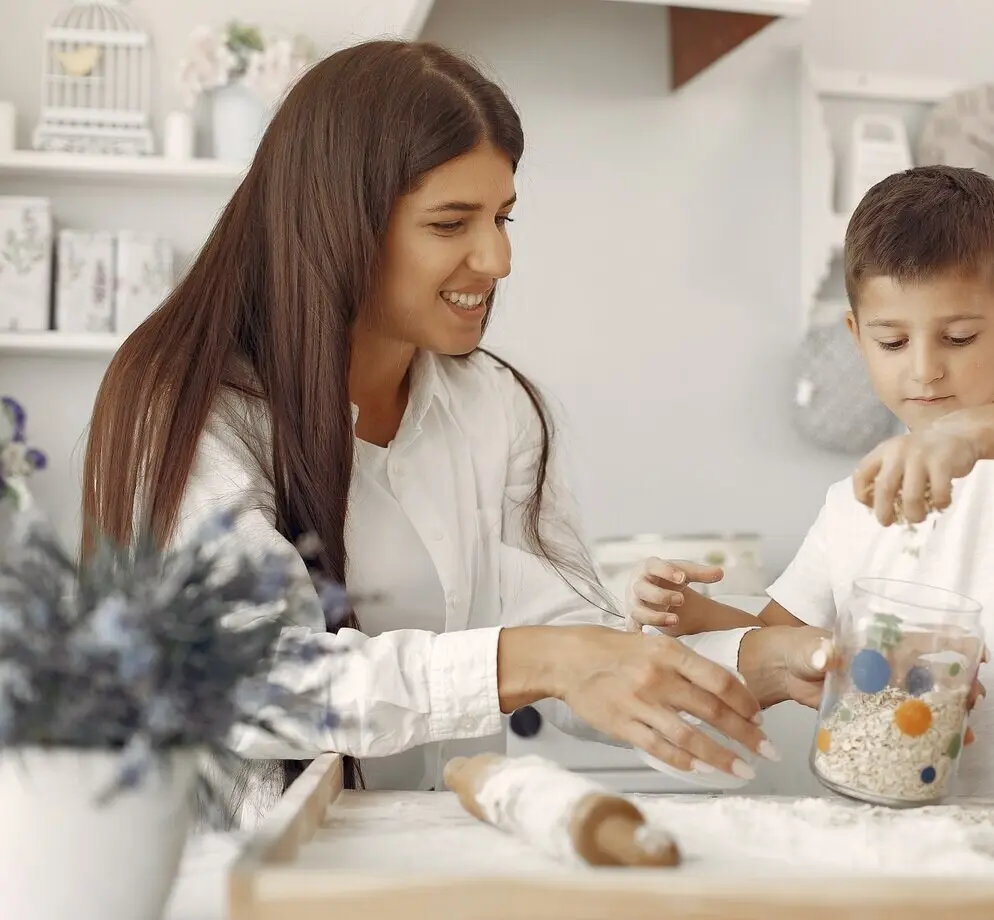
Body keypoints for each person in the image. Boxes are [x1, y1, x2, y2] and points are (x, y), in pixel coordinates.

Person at [81, 40, 828, 827]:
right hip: (234, 879)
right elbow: (255, 679)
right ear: (339, 223)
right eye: (451, 222)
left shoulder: (493, 407)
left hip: (419, 860)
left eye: (503, 217)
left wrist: (756, 661)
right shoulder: (188, 403)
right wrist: (540, 660)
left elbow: (577, 648)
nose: (498, 257)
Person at [624, 165, 994, 799]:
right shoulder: (851, 504)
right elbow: (778, 645)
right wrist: (690, 614)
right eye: (894, 341)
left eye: (958, 337)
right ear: (857, 338)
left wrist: (970, 435)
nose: (926, 370)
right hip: (892, 815)